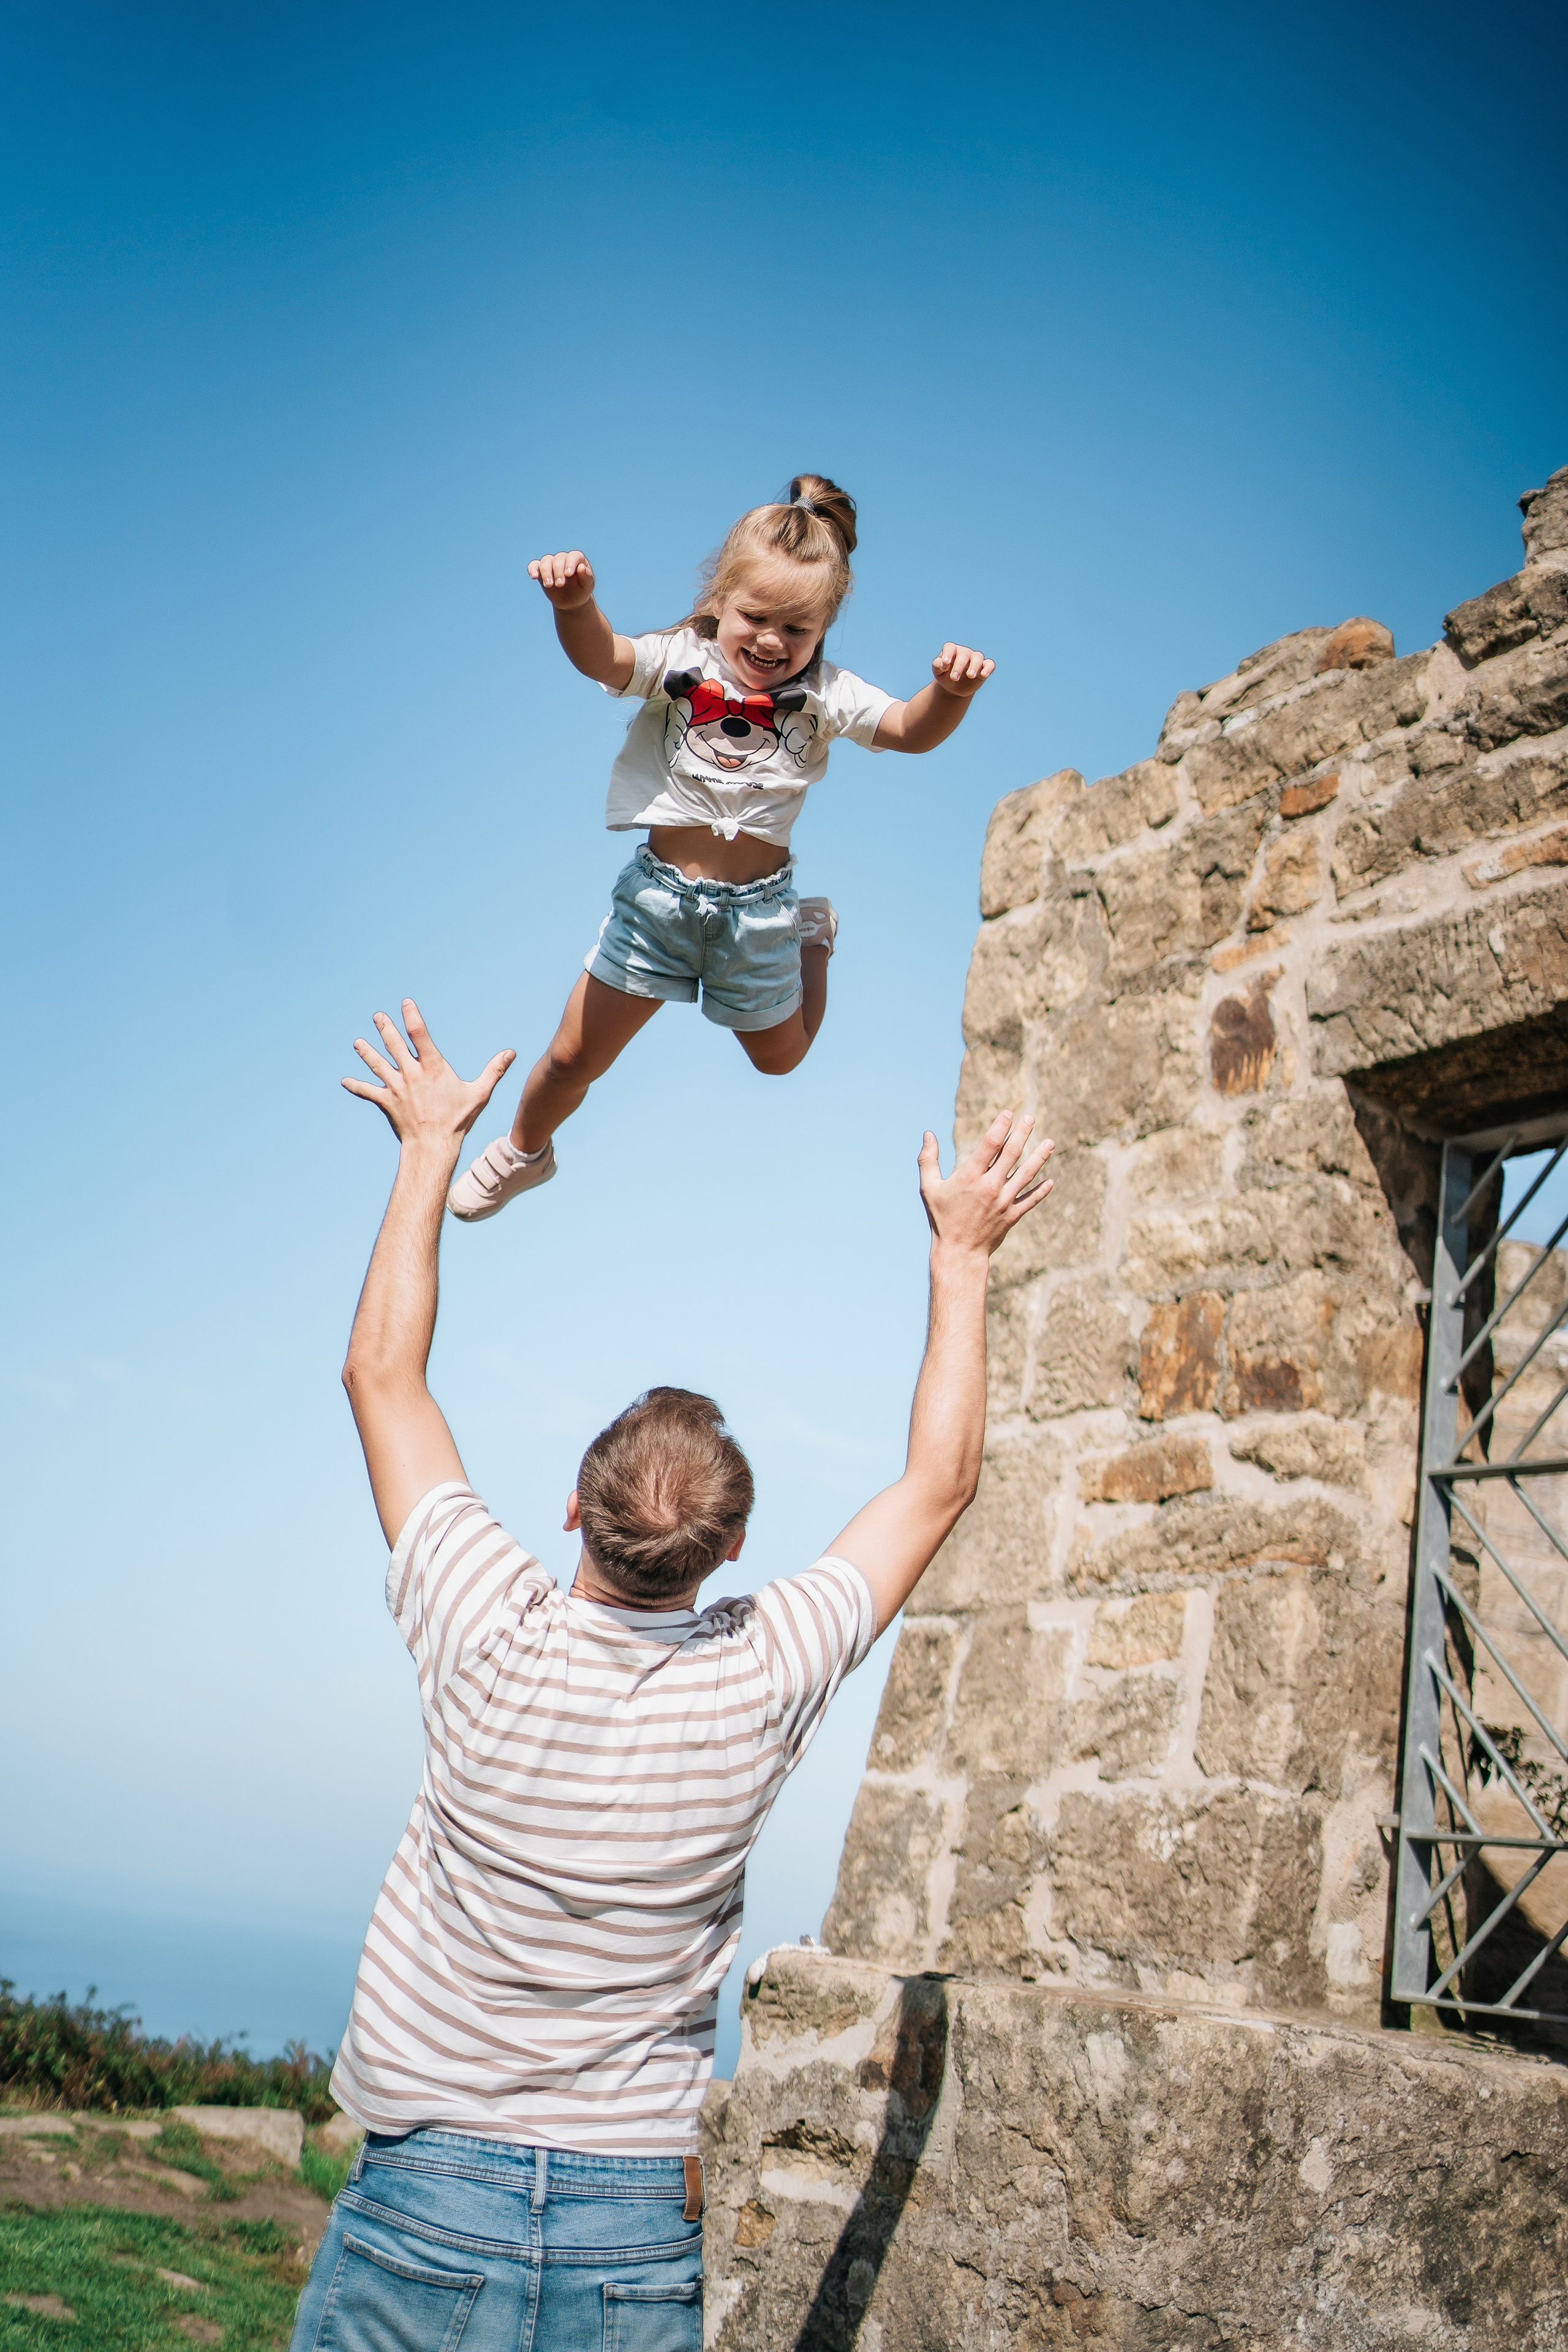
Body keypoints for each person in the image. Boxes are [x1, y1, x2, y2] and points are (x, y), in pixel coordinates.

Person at [289, 1000, 1051, 2351]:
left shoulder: (482, 1626)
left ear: (569, 1512)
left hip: (425, 2199)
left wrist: (427, 1150)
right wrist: (961, 1253)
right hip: (636, 2225)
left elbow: (381, 1377)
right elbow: (939, 1484)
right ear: (731, 1550)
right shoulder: (759, 1678)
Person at [447, 475, 995, 1221]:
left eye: (796, 630)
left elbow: (906, 730)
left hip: (759, 916)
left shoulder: (826, 694)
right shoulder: (681, 660)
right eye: (756, 617)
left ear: (824, 627)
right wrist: (574, 606)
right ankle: (523, 1151)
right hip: (657, 904)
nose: (772, 641)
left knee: (780, 1059)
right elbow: (604, 658)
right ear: (719, 602)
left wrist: (950, 696)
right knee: (575, 1056)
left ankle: (813, 940)